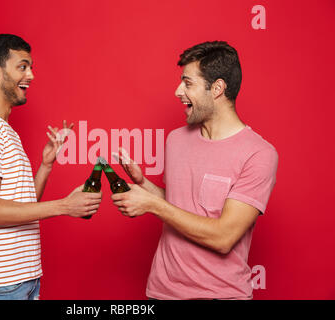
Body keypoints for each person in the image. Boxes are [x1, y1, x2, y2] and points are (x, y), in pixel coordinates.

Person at [111, 41, 278, 300]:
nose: (178, 91)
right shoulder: (176, 140)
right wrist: (143, 182)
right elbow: (180, 206)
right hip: (162, 292)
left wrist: (152, 206)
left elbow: (224, 237)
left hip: (219, 296)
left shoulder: (259, 154)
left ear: (218, 89)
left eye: (188, 84)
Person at [0, 34, 102, 300]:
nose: (31, 75)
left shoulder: (2, 129)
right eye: (22, 66)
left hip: (21, 278)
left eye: (30, 67)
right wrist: (65, 206)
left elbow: (22, 205)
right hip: (1, 284)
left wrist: (45, 165)